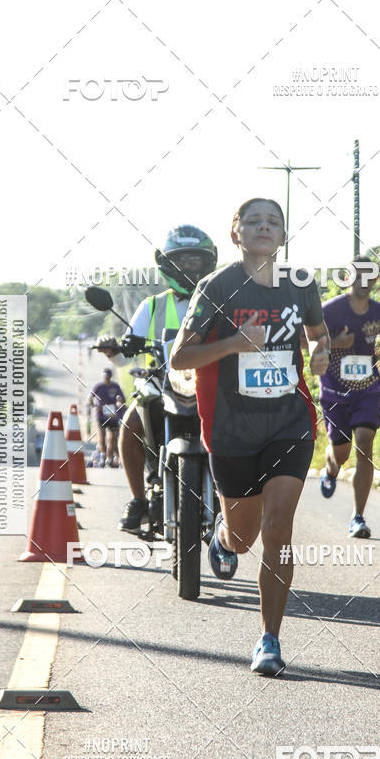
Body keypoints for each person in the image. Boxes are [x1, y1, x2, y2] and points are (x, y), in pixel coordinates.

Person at [170, 198, 329, 676]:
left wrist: (320, 354)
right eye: (253, 221)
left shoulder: (301, 284)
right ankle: (222, 536)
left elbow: (318, 336)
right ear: (235, 233)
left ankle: (269, 640)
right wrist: (237, 344)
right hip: (231, 427)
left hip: (289, 422)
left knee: (278, 528)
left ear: (283, 235)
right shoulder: (215, 286)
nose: (264, 228)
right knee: (243, 538)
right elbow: (181, 358)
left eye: (273, 222)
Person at [104, 226, 218, 531]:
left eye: (195, 260)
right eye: (181, 261)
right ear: (167, 265)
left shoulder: (224, 301)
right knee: (130, 423)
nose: (189, 268)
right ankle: (139, 499)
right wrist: (114, 347)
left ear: (208, 262)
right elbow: (120, 357)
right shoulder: (152, 306)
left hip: (214, 381)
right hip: (161, 382)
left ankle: (242, 494)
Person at [318, 256, 380, 538]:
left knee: (364, 444)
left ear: (375, 279)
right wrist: (336, 343)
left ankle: (358, 517)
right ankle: (331, 469)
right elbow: (307, 341)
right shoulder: (330, 310)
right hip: (335, 391)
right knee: (341, 451)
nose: (365, 280)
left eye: (370, 275)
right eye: (358, 275)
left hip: (368, 389)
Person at [87, 367, 126, 467]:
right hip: (101, 415)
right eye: (105, 377)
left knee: (112, 438)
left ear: (110, 377)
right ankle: (103, 455)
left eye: (108, 377)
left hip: (112, 415)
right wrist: (94, 406)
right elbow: (89, 398)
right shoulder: (98, 387)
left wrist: (119, 402)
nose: (107, 379)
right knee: (101, 436)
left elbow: (122, 399)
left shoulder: (115, 386)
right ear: (102, 377)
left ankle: (109, 458)